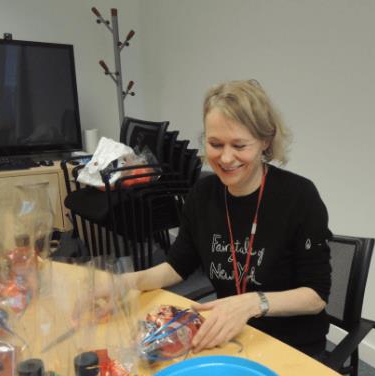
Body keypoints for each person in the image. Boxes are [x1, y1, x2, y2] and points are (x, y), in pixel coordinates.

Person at [124, 80, 332, 357]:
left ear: (265, 142)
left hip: (292, 345)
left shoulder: (299, 196)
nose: (225, 158)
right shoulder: (202, 194)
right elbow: (177, 266)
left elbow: (316, 296)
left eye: (239, 145)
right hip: (231, 334)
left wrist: (251, 304)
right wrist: (125, 282)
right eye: (215, 144)